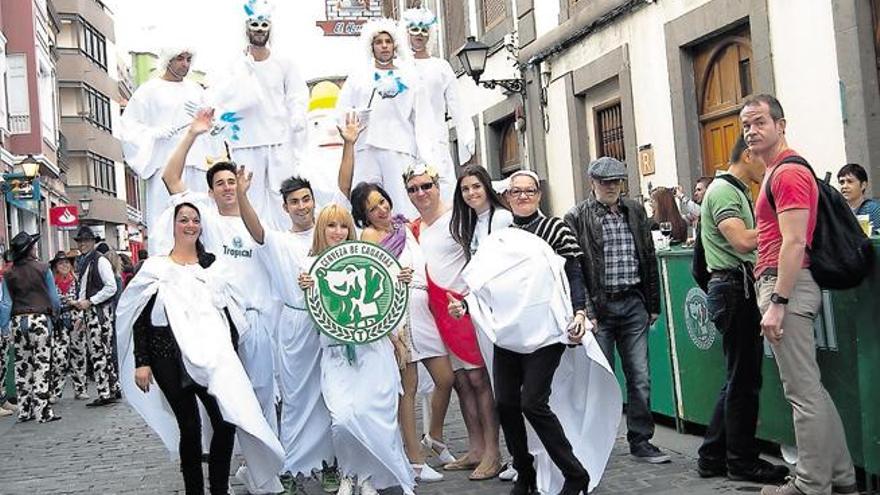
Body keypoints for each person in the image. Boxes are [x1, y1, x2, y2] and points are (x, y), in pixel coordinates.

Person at [116, 201, 284, 495]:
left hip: (212, 358)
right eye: (184, 220)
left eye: (195, 220)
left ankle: (219, 488)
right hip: (167, 356)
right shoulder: (156, 268)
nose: (190, 225)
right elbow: (140, 317)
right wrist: (141, 362)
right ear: (173, 225)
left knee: (224, 422)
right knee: (190, 427)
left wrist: (229, 355)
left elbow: (230, 315)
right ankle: (194, 490)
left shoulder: (213, 266)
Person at [741, 94, 857, 495]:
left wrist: (778, 303)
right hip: (784, 284)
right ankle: (840, 479)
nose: (751, 131)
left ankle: (809, 485)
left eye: (759, 122)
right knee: (811, 390)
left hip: (785, 284)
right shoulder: (778, 171)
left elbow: (793, 243)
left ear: (780, 124)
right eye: (746, 126)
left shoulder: (786, 173)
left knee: (802, 394)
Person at [460, 170, 593, 494]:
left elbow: (575, 271)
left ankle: (575, 474)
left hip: (547, 331)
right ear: (507, 197)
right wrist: (465, 307)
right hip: (510, 331)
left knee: (532, 402)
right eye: (516, 191)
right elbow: (484, 282)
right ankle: (525, 473)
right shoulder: (499, 235)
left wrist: (580, 311)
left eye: (529, 191)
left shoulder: (555, 227)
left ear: (538, 195)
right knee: (505, 403)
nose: (522, 196)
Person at [295, 204, 416, 495]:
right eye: (331, 226)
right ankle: (350, 472)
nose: (338, 232)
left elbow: (389, 300)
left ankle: (369, 477)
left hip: (372, 353)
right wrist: (305, 289)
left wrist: (401, 282)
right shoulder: (310, 267)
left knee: (371, 416)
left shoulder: (368, 260)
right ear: (321, 230)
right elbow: (310, 315)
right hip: (336, 356)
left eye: (343, 226)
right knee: (344, 420)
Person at [234, 169, 339, 493]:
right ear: (286, 207)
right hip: (294, 326)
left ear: (313, 201)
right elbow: (255, 228)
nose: (302, 206)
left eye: (306, 199)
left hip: (330, 324)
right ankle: (292, 467)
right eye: (294, 201)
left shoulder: (328, 236)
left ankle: (329, 464)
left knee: (328, 396)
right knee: (294, 401)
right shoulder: (278, 241)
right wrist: (241, 193)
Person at [564, 156, 670, 464]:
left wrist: (653, 304)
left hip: (633, 302)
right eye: (605, 182)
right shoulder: (577, 216)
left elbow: (648, 257)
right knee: (600, 380)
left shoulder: (635, 211)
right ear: (592, 183)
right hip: (600, 307)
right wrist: (585, 309)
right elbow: (575, 266)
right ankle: (597, 442)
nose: (612, 187)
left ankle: (641, 440)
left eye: (616, 182)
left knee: (640, 377)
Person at [695, 136, 789, 484]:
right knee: (744, 380)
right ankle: (742, 461)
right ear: (747, 154)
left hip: (734, 288)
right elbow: (742, 240)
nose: (766, 164)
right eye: (761, 157)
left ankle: (713, 455)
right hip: (735, 290)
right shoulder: (723, 192)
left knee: (739, 377)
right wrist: (787, 222)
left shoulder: (734, 190)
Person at [405, 164, 502, 479]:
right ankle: (475, 450)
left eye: (426, 186)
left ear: (437, 185)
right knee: (461, 383)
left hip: (463, 309)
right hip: (438, 314)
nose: (421, 193)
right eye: (413, 188)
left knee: (479, 381)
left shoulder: (459, 217)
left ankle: (493, 452)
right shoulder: (414, 228)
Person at [212, 0, 309, 231]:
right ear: (247, 28)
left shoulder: (284, 64)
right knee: (249, 197)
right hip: (246, 141)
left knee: (283, 194)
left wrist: (297, 116)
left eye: (263, 24)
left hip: (279, 140)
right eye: (254, 24)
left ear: (270, 27)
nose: (259, 29)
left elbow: (297, 94)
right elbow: (221, 98)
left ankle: (290, 241)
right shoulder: (235, 66)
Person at [337, 17, 434, 220]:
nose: (384, 46)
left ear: (395, 45)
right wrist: (357, 119)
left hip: (400, 148)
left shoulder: (411, 77)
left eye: (388, 41)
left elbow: (423, 120)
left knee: (402, 203)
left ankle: (407, 243)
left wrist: (426, 157)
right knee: (365, 201)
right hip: (366, 148)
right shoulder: (358, 77)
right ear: (371, 46)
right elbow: (342, 112)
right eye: (378, 42)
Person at [120, 43, 221, 236]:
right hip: (164, 166)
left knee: (200, 216)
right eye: (180, 59)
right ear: (169, 60)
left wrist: (214, 128)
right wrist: (154, 133)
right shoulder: (148, 91)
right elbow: (129, 127)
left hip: (195, 164)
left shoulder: (196, 90)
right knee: (165, 220)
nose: (185, 64)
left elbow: (209, 124)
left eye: (188, 59)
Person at [402, 7, 474, 205]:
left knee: (442, 188)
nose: (419, 34)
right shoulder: (399, 67)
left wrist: (466, 133)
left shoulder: (441, 66)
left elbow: (456, 103)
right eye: (414, 29)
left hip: (436, 137)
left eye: (424, 29)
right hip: (407, 138)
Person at [0, 233, 61, 423]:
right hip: (40, 319)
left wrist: (4, 328)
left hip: (18, 321)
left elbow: (6, 304)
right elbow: (54, 299)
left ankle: (24, 410)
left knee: (22, 365)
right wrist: (55, 316)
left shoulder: (8, 274)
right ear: (31, 249)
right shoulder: (43, 269)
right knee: (41, 364)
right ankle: (42, 411)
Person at [72, 226, 120, 407]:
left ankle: (104, 392)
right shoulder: (87, 261)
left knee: (99, 353)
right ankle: (112, 388)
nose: (82, 244)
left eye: (85, 241)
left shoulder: (99, 261)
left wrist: (90, 301)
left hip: (99, 313)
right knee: (103, 353)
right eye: (79, 241)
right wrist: (81, 311)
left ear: (93, 242)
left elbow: (111, 287)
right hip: (92, 312)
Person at [49, 250, 90, 403]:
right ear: (55, 266)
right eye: (61, 263)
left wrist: (81, 317)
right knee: (59, 357)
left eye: (67, 262)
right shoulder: (51, 282)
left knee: (79, 354)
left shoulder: (77, 280)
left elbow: (84, 299)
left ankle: (80, 389)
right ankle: (56, 391)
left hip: (76, 319)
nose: (65, 265)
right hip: (59, 321)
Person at [837, 163, 880, 233]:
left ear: (863, 185)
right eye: (842, 182)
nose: (844, 186)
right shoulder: (838, 210)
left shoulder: (873, 210)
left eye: (850, 181)